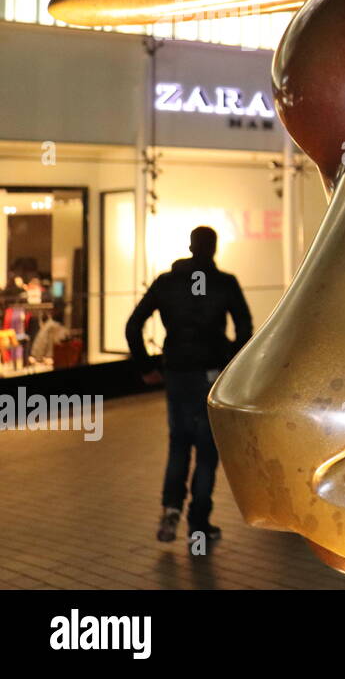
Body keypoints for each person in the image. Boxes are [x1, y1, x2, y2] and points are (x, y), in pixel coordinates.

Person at [126, 227, 252, 542]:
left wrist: (145, 367)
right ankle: (198, 523)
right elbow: (245, 328)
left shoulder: (166, 282)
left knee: (179, 442)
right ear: (214, 248)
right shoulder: (225, 283)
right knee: (207, 449)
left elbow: (133, 325)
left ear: (190, 246)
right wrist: (232, 366)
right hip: (211, 375)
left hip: (178, 373)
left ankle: (171, 509)